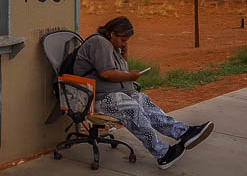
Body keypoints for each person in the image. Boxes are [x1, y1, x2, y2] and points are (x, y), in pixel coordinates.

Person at [73, 16, 214, 170]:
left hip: (117, 93)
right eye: (123, 39)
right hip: (96, 98)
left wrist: (123, 52)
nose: (125, 43)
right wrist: (130, 77)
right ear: (112, 34)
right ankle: (162, 154)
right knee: (132, 109)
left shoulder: (112, 46)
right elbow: (106, 73)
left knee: (144, 101)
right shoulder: (99, 43)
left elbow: (121, 70)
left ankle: (183, 132)